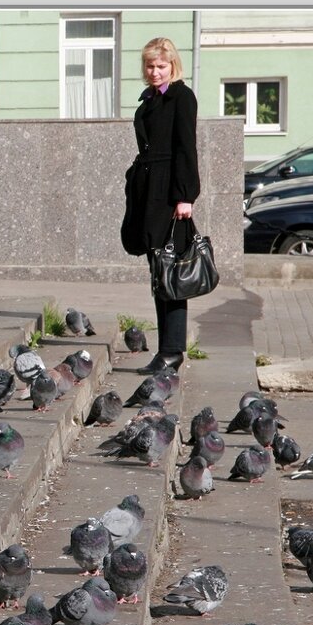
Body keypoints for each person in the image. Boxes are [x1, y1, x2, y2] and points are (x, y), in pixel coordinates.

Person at [120, 37, 200, 375]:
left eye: (161, 66)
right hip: (149, 195)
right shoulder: (148, 102)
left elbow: (186, 147)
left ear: (173, 66)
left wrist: (185, 196)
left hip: (170, 196)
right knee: (159, 274)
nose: (155, 71)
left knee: (173, 275)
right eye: (150, 66)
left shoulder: (181, 97)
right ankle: (166, 350)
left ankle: (172, 351)